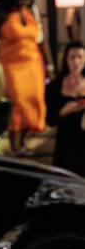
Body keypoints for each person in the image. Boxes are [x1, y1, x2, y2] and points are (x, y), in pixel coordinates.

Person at [0, 0, 48, 152]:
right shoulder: (1, 16)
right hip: (11, 65)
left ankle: (24, 140)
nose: (25, 0)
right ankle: (15, 143)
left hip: (33, 64)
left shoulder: (31, 14)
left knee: (34, 100)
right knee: (17, 101)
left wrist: (49, 65)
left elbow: (41, 40)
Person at [46, 41, 85, 177]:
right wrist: (66, 110)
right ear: (66, 59)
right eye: (72, 57)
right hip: (65, 145)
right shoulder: (55, 86)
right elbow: (50, 121)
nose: (76, 61)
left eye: (80, 57)